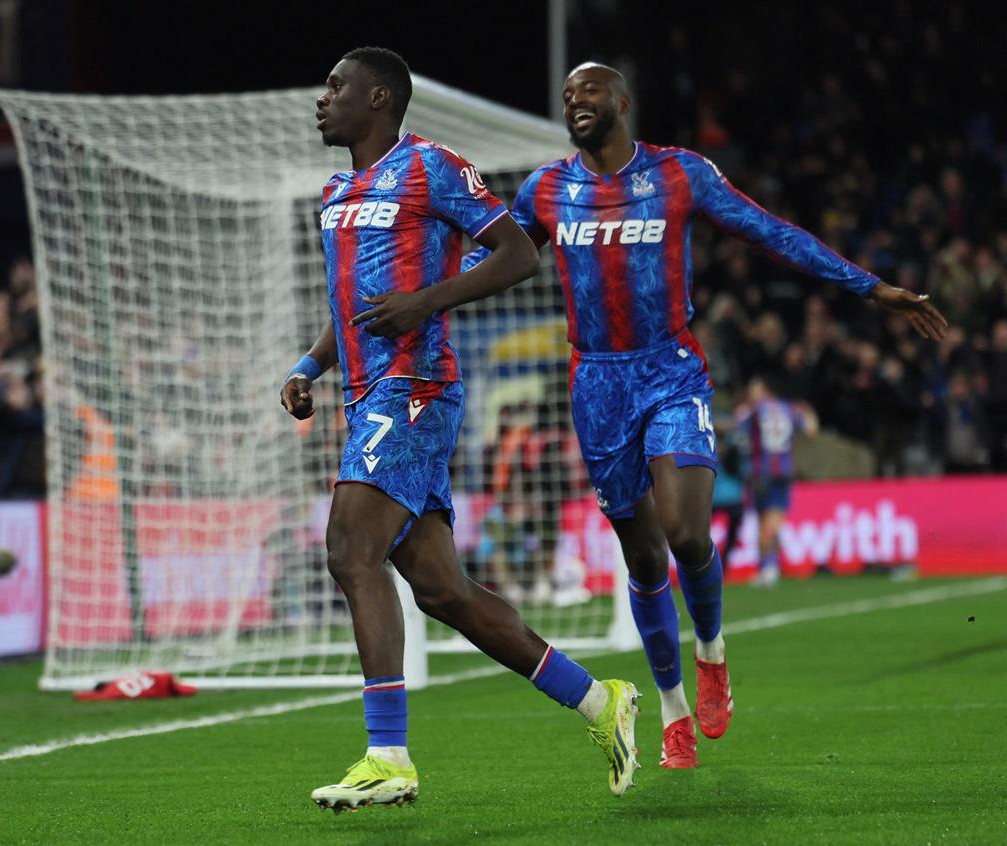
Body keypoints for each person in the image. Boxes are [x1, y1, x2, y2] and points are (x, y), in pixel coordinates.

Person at [463, 63, 948, 769]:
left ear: (623, 100)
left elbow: (769, 232)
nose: (576, 102)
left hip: (670, 369)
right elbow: (499, 258)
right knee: (642, 556)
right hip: (596, 385)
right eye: (567, 96)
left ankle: (712, 653)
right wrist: (425, 285)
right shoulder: (547, 189)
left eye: (590, 90)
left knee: (687, 533)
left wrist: (869, 289)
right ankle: (672, 709)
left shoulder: (679, 174)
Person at [281, 48, 640, 811]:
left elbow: (517, 256)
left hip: (416, 389)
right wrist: (309, 366)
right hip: (366, 393)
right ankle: (599, 702)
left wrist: (428, 302)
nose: (323, 99)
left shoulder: (432, 167)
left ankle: (388, 756)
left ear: (378, 98)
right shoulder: (337, 189)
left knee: (350, 548)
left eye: (336, 87)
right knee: (443, 591)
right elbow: (350, 301)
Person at [732, 375, 818, 587]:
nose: (751, 393)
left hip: (761, 470)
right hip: (784, 470)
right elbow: (810, 430)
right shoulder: (789, 409)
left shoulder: (754, 410)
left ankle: (768, 567)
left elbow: (737, 425)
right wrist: (808, 411)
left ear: (764, 390)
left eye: (754, 389)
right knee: (774, 519)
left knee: (765, 521)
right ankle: (770, 567)